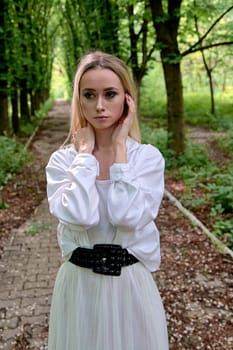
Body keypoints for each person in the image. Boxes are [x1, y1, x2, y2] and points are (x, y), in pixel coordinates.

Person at [46, 50, 169, 350]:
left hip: (129, 288)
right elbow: (80, 215)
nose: (99, 105)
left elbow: (127, 216)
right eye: (89, 95)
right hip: (78, 289)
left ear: (127, 99)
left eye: (110, 94)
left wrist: (120, 152)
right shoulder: (63, 162)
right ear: (79, 99)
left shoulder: (147, 159)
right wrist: (85, 157)